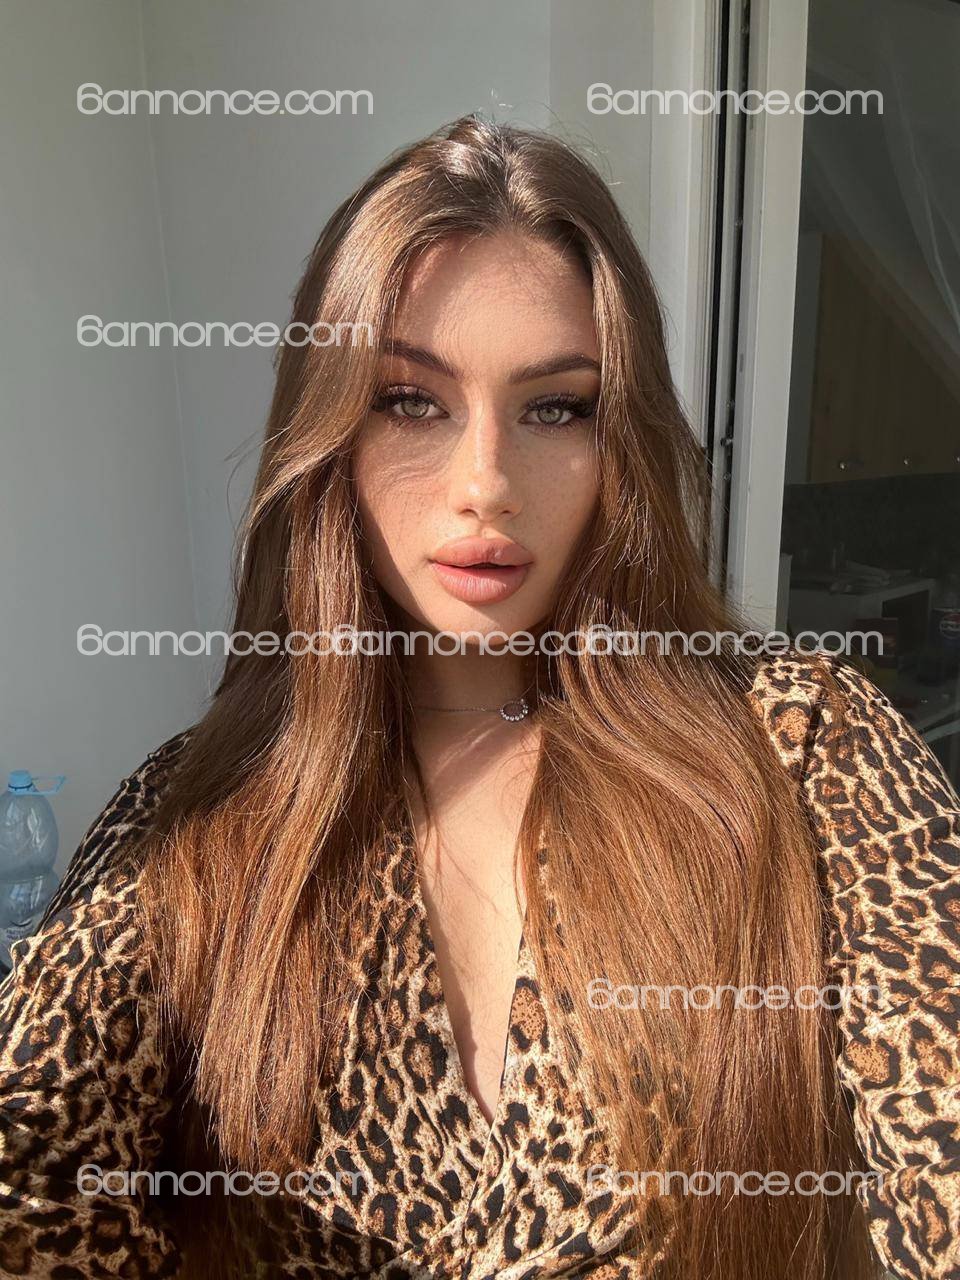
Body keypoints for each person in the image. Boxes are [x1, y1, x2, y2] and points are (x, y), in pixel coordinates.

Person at [0, 114, 957, 1280]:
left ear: (620, 439)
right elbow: (35, 1153)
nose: (486, 481)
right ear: (330, 435)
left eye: (556, 407)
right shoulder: (196, 815)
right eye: (412, 399)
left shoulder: (805, 748)